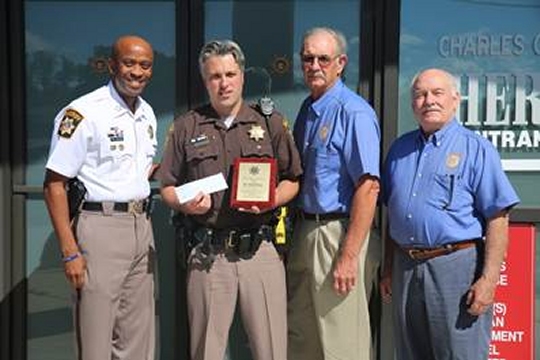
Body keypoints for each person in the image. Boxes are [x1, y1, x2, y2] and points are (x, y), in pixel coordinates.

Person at [158, 39, 302, 360]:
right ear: (205, 81)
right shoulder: (186, 126)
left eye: (230, 74)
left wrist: (272, 200)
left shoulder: (270, 123)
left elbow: (293, 179)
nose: (224, 83)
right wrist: (184, 204)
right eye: (215, 76)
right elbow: (167, 185)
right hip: (209, 253)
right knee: (206, 349)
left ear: (242, 77)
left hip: (261, 251)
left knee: (271, 349)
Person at [379, 68, 520, 360]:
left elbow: (498, 217)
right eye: (420, 94)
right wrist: (390, 266)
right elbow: (393, 213)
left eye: (437, 93)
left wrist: (489, 281)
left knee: (460, 354)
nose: (428, 100)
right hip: (406, 268)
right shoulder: (398, 150)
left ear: (455, 100)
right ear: (412, 105)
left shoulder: (477, 149)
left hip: (456, 267)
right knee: (410, 354)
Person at [43, 35, 157, 360]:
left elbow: (134, 170)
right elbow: (53, 185)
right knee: (95, 339)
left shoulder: (147, 114)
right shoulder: (82, 113)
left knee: (137, 338)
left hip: (141, 227)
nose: (137, 71)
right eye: (129, 63)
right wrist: (69, 251)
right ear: (111, 65)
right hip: (100, 229)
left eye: (145, 65)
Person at [287, 27, 381, 360]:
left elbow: (368, 187)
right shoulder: (307, 111)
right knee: (302, 338)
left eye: (323, 59)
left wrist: (348, 256)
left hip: (337, 234)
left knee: (343, 344)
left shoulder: (353, 112)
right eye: (307, 58)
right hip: (304, 231)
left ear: (340, 63)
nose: (314, 65)